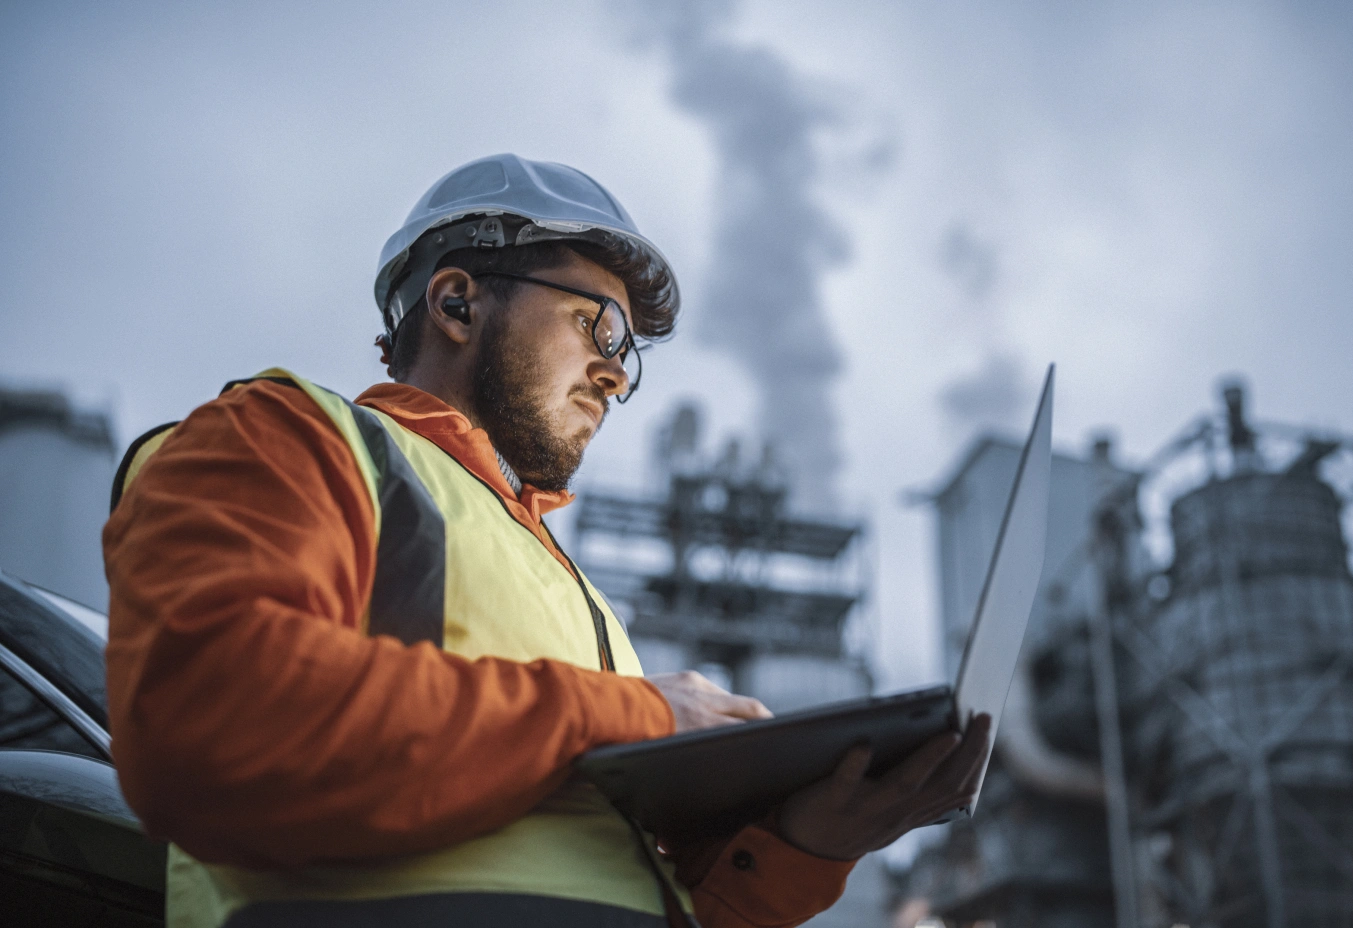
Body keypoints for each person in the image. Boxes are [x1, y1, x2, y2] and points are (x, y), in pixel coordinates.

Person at [103, 153, 992, 928]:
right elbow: (213, 722)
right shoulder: (290, 438)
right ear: (456, 301)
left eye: (629, 353)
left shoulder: (578, 598)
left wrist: (805, 847)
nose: (614, 372)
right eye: (596, 325)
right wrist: (635, 713)